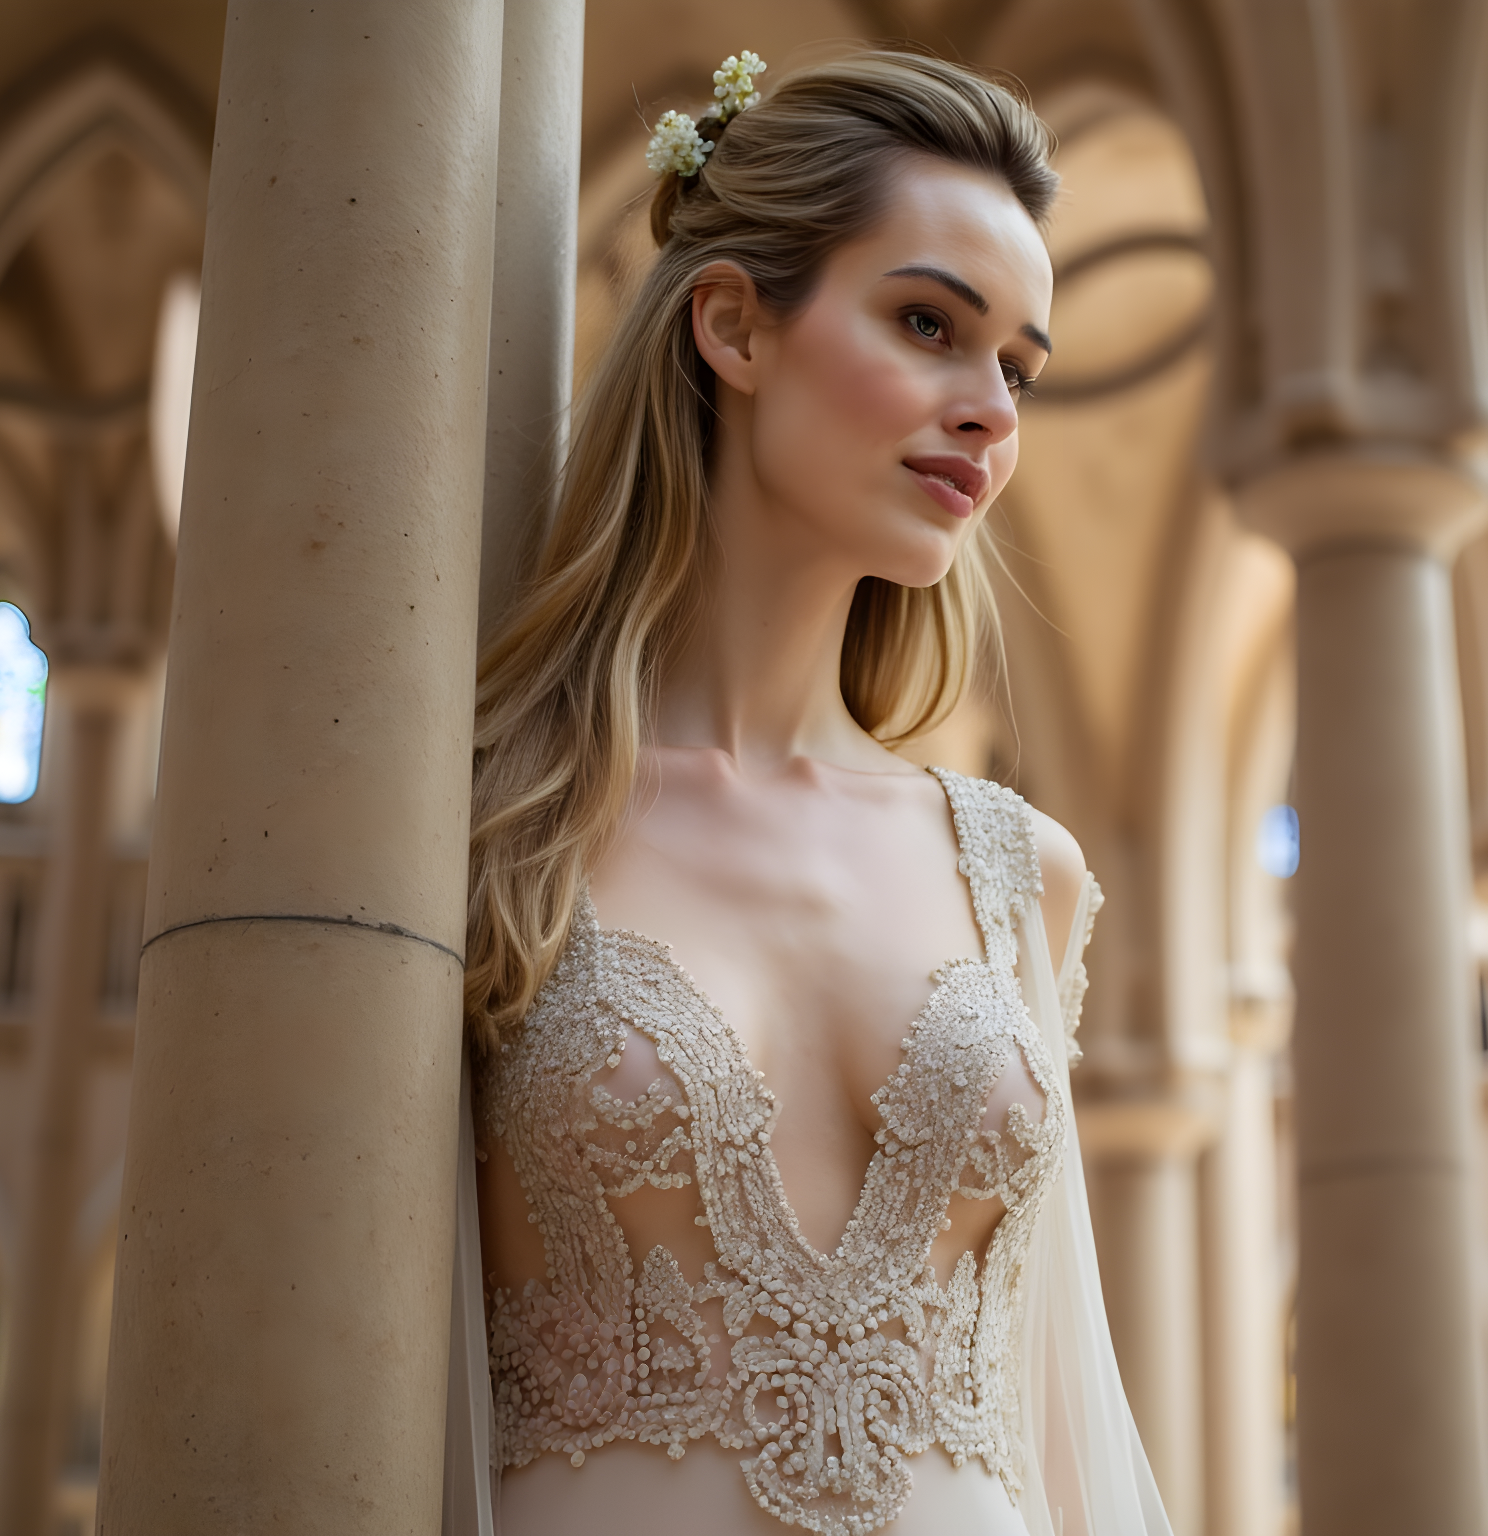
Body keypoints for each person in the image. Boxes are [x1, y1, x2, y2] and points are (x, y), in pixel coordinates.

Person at [459, 48, 1172, 1536]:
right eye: (929, 325)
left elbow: (1054, 1418)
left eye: (1018, 369)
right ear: (734, 324)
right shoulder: (500, 823)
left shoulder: (1017, 873)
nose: (990, 411)